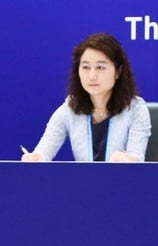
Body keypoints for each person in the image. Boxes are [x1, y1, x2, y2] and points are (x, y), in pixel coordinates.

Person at [21, 32, 150, 162]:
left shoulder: (136, 109)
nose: (92, 76)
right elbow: (44, 150)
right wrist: (35, 158)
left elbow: (136, 160)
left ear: (118, 72)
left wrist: (125, 161)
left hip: (122, 182)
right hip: (83, 182)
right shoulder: (71, 106)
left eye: (100, 67)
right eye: (86, 67)